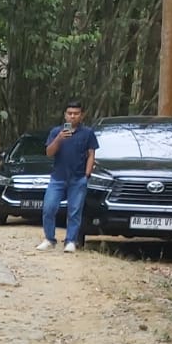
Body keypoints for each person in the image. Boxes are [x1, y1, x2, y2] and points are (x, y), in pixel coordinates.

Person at [38, 101, 97, 252]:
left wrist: (87, 174)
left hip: (78, 178)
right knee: (49, 208)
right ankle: (49, 239)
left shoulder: (88, 133)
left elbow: (91, 154)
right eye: (70, 113)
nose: (72, 116)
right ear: (65, 115)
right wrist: (59, 138)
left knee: (74, 211)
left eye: (76, 113)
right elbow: (49, 153)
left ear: (81, 115)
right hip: (58, 177)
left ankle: (71, 241)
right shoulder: (56, 132)